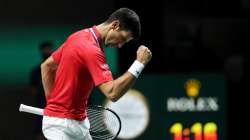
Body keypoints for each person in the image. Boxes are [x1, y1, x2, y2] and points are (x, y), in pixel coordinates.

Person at [41, 8, 152, 140]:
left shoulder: (77, 36)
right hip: (60, 127)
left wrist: (52, 102)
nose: (120, 45)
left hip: (79, 124)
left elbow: (47, 66)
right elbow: (113, 93)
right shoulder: (91, 50)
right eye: (122, 38)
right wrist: (139, 63)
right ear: (115, 25)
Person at [29, 41, 54, 140]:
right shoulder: (36, 71)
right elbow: (33, 90)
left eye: (49, 49)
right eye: (45, 49)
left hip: (60, 108)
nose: (48, 51)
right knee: (41, 133)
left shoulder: (60, 69)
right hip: (42, 107)